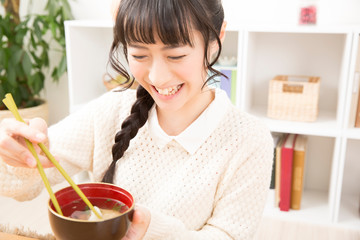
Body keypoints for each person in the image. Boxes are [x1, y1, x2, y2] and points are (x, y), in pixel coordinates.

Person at [0, 0, 274, 239]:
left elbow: (228, 236)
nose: (157, 77)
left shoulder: (248, 140)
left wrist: (150, 230)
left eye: (176, 55)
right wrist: (16, 152)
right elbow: (22, 182)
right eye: (139, 55)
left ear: (216, 39)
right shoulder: (113, 110)